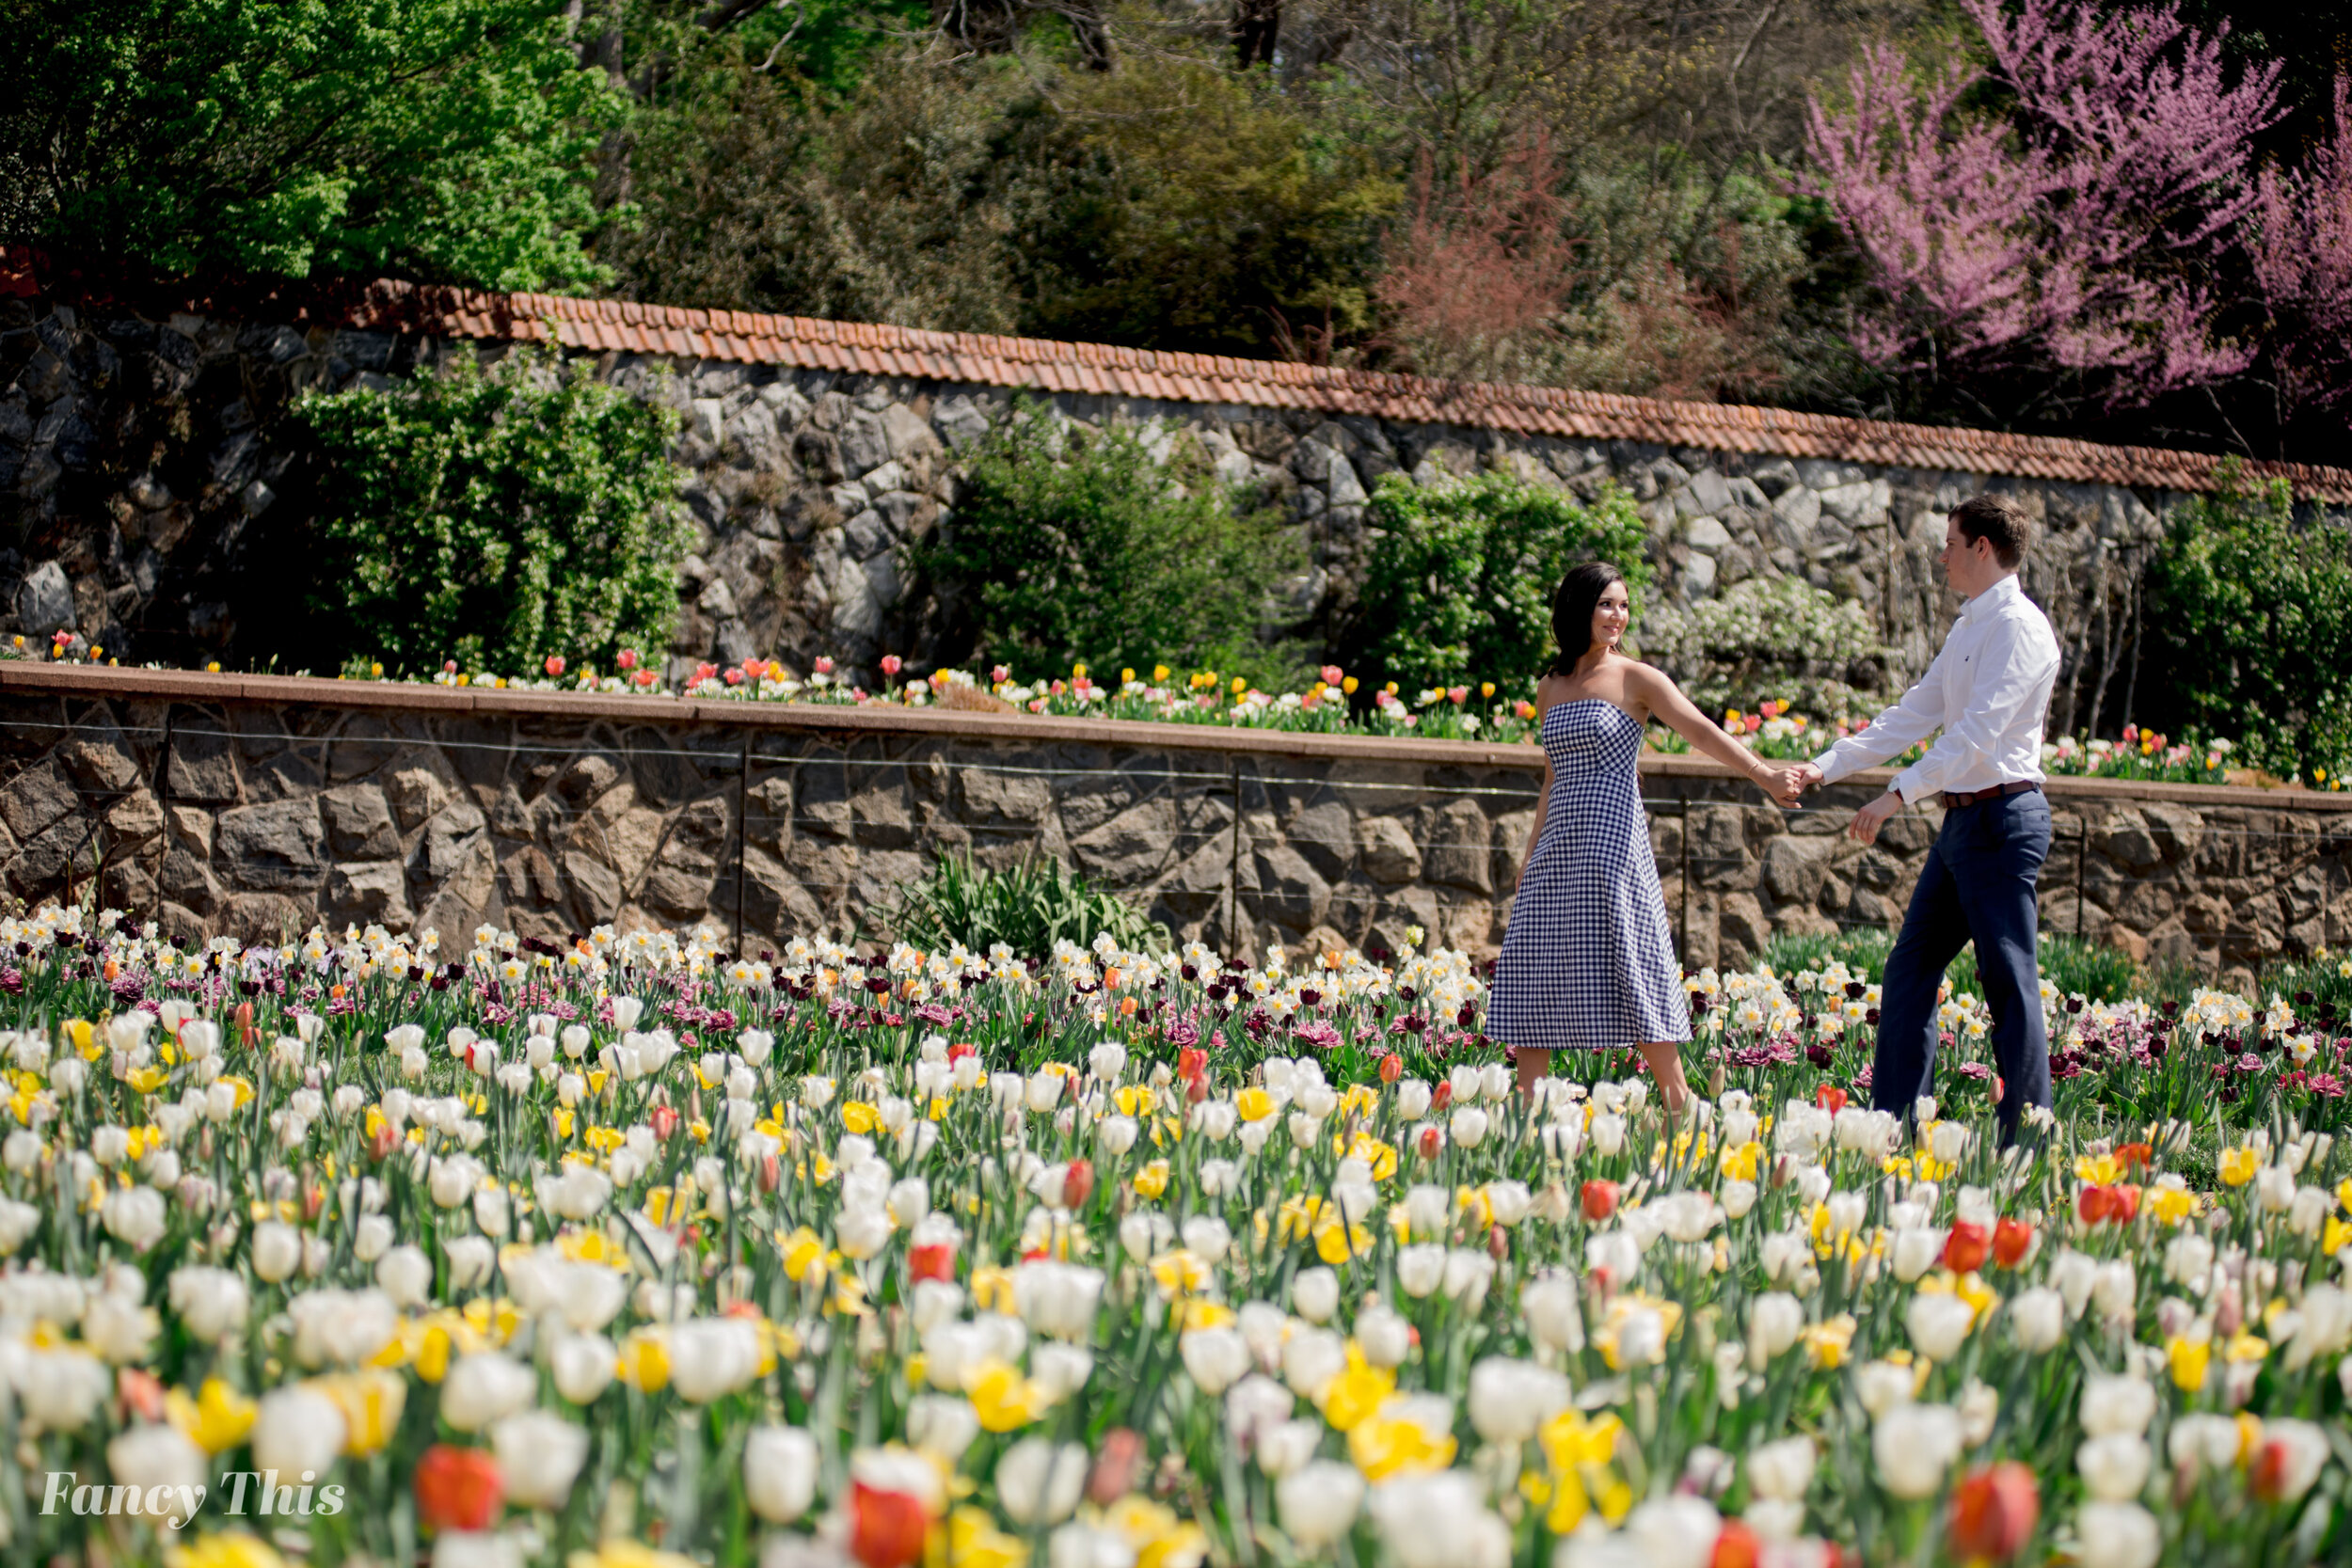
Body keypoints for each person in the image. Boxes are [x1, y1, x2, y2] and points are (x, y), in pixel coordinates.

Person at [1792, 492, 2061, 1144]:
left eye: (1948, 543)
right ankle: (1898, 1125)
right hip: (1965, 825)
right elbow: (1914, 713)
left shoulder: (2020, 628)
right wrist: (1826, 766)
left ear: (1981, 547)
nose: (1940, 555)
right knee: (1910, 969)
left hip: (2003, 822)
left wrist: (1896, 794)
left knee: (2008, 982)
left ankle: (2025, 1136)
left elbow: (1976, 735)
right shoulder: (1970, 625)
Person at [1490, 562, 1808, 1108]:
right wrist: (1529, 855)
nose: (1618, 616)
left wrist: (1763, 774)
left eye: (1624, 605)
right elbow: (1551, 776)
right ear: (1579, 608)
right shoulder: (1551, 685)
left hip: (1614, 844)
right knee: (1535, 966)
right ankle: (1528, 1115)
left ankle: (1680, 1104)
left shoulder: (1638, 678)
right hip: (1557, 847)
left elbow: (1701, 731)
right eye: (1607, 604)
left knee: (1632, 961)